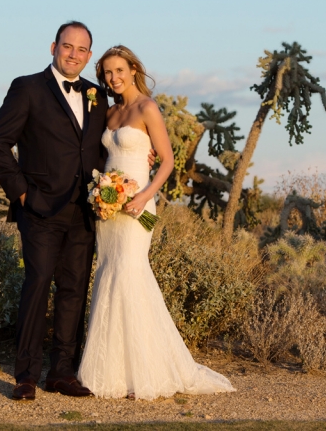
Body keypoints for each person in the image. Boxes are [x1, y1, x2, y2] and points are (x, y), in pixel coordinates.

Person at [0, 22, 152, 401]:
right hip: (40, 208)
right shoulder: (27, 87)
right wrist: (22, 194)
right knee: (38, 283)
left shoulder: (97, 94)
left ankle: (61, 372)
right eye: (67, 46)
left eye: (81, 49)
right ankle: (26, 375)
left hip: (86, 209)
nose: (73, 54)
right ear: (53, 47)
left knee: (74, 290)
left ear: (89, 56)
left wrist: (142, 154)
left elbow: (103, 145)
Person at [77, 45, 235, 400]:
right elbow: (105, 154)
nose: (113, 78)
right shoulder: (111, 111)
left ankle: (146, 372)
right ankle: (113, 372)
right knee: (108, 274)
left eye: (119, 71)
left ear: (133, 69)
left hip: (137, 206)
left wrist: (144, 195)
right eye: (107, 73)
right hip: (109, 208)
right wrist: (104, 191)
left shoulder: (148, 108)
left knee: (132, 273)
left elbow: (166, 161)